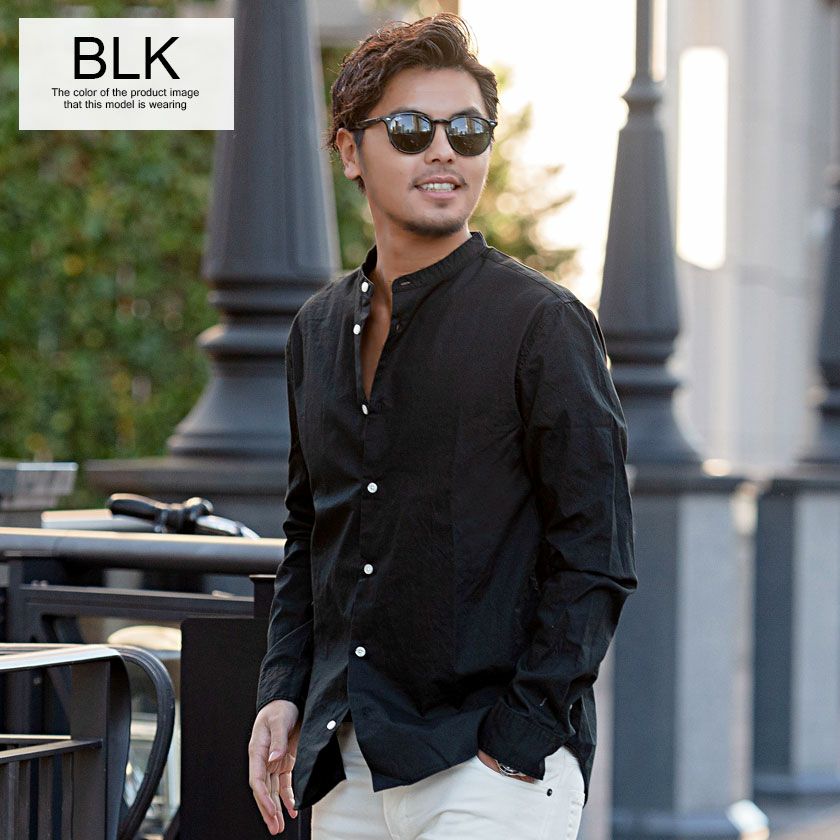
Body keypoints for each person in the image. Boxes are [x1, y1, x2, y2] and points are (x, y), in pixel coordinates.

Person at [248, 13, 636, 840]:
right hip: (348, 764)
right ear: (351, 151)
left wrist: (520, 738)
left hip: (486, 767)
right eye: (410, 130)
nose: (442, 152)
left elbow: (595, 553)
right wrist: (283, 690)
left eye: (466, 131)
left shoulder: (543, 325)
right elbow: (310, 532)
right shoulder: (316, 330)